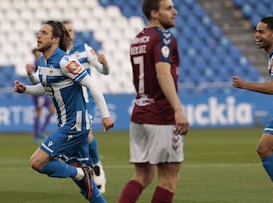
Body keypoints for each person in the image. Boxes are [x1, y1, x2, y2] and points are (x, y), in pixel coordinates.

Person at [14, 20, 114, 202]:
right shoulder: (42, 61)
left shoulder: (66, 61)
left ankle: (80, 173)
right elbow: (46, 87)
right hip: (66, 125)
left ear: (55, 39)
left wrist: (105, 115)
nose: (38, 35)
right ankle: (82, 175)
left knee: (37, 162)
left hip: (75, 126)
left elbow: (92, 85)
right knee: (87, 188)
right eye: (39, 32)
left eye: (44, 33)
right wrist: (26, 89)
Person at [118, 0, 189, 202]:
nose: (175, 12)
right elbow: (162, 74)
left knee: (142, 175)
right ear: (154, 13)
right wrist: (178, 109)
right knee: (169, 178)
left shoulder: (138, 39)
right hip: (161, 115)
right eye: (169, 8)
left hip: (139, 112)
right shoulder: (164, 36)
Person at [232, 16, 273, 203]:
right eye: (256, 31)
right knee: (264, 148)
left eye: (261, 31)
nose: (256, 35)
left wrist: (245, 85)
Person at [62, 20, 109, 194]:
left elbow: (103, 71)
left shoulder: (84, 50)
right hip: (67, 106)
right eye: (65, 31)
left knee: (86, 136)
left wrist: (104, 64)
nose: (69, 33)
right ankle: (90, 170)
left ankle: (95, 166)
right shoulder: (57, 55)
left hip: (84, 100)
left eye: (71, 30)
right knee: (76, 143)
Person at [26, 48, 56, 143]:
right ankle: (37, 134)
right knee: (39, 111)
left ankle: (41, 131)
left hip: (43, 91)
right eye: (38, 52)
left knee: (52, 110)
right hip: (39, 93)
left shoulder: (39, 61)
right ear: (35, 54)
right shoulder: (37, 62)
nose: (39, 53)